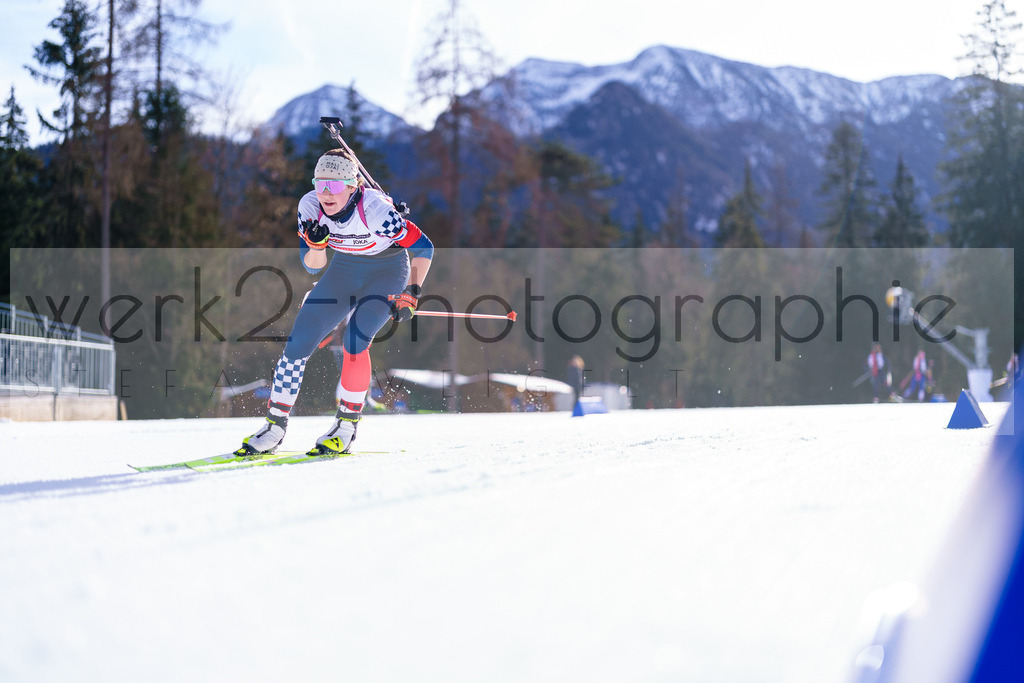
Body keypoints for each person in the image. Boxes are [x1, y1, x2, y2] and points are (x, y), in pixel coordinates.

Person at [236, 148, 433, 456]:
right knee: (297, 344)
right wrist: (316, 244)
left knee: (356, 339)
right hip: (343, 270)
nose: (327, 193)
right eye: (320, 183)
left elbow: (425, 247)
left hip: (388, 271)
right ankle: (274, 427)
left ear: (353, 187)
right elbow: (313, 265)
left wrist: (412, 292)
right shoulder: (310, 206)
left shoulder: (377, 212)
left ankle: (346, 426)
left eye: (336, 186)